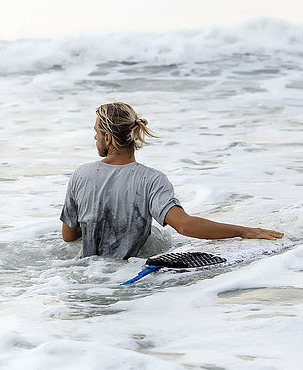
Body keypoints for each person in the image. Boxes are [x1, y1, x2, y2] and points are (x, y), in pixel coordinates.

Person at [60, 102, 283, 260]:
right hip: (129, 275)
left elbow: (69, 236)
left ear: (108, 138)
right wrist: (244, 231)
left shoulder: (81, 175)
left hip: (87, 272)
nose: (95, 137)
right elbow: (184, 226)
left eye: (97, 132)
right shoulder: (150, 179)